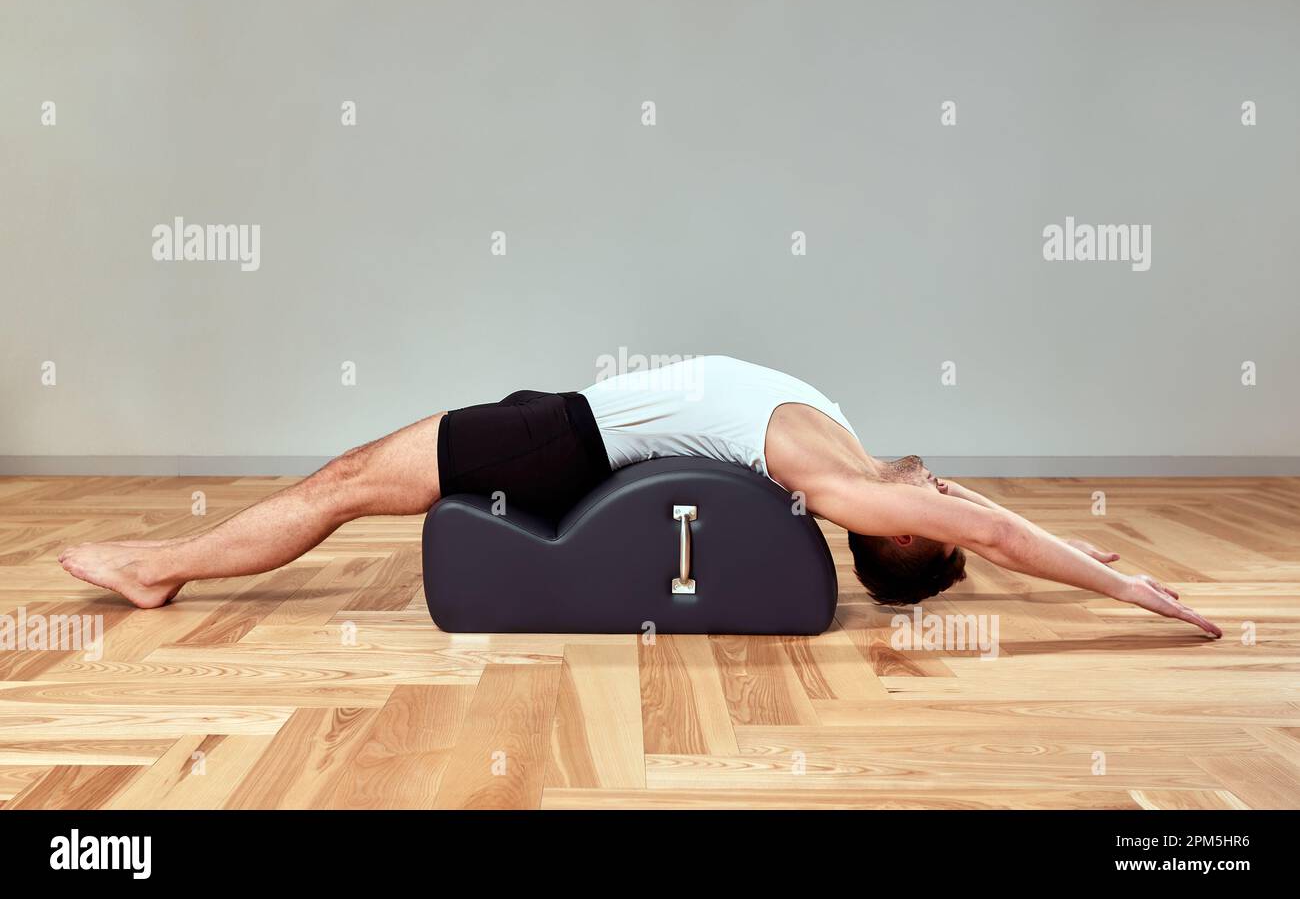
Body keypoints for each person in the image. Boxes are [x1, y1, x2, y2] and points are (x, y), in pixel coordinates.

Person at [57, 355, 1221, 637]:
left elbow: (1001, 533)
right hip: (564, 417)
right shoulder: (851, 444)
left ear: (903, 530)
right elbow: (995, 526)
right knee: (353, 478)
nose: (951, 485)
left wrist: (1122, 588)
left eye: (944, 509)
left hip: (560, 445)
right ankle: (166, 562)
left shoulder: (848, 486)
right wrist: (1096, 566)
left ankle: (158, 565)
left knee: (346, 481)